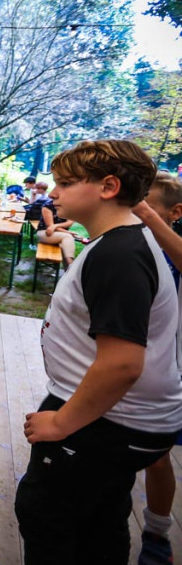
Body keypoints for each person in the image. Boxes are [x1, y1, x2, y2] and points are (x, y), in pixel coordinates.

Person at [14, 140, 182, 564]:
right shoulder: (121, 243)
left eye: (66, 183)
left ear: (108, 186)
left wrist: (61, 423)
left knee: (49, 520)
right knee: (100, 521)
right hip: (113, 417)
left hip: (106, 422)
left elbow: (123, 363)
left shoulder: (119, 254)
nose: (54, 193)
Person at [132, 172, 182, 565]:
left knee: (157, 456)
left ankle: (157, 532)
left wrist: (144, 212)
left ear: (175, 211)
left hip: (165, 368)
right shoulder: (130, 241)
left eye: (146, 198)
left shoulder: (171, 247)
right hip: (121, 362)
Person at [34, 181, 76, 268]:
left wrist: (55, 226)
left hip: (59, 233)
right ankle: (71, 265)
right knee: (68, 237)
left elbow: (69, 223)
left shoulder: (70, 206)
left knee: (64, 245)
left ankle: (68, 271)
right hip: (44, 232)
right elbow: (49, 227)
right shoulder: (47, 206)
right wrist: (67, 232)